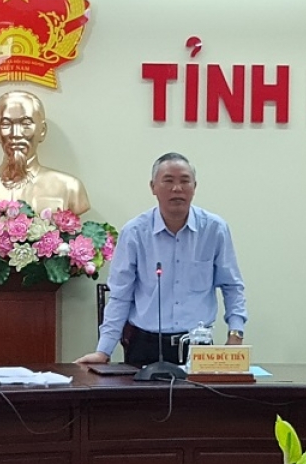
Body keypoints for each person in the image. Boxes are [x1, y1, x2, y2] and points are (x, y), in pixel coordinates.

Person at [75, 152, 247, 366]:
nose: (177, 188)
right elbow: (120, 295)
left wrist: (235, 335)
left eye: (185, 181)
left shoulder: (214, 229)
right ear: (153, 187)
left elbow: (232, 286)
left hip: (197, 346)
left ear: (195, 186)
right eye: (168, 181)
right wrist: (103, 351)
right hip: (145, 345)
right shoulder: (135, 232)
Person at [0, 90, 91, 216]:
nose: (16, 134)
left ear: (42, 131)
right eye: (6, 124)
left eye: (26, 124)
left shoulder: (69, 189)